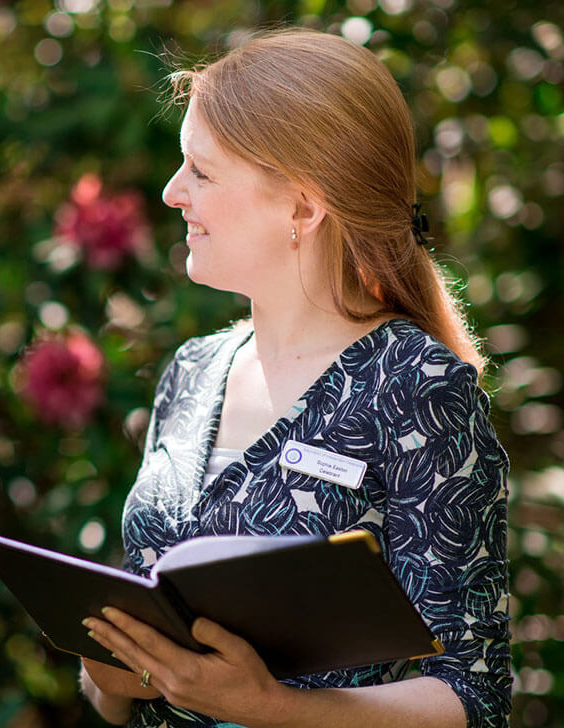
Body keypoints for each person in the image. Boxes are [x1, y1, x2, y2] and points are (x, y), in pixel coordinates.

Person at [78, 26, 512, 728]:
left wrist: (271, 706)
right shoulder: (191, 371)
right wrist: (110, 676)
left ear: (303, 209)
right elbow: (127, 677)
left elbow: (473, 695)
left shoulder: (417, 386)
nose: (170, 192)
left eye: (202, 171)